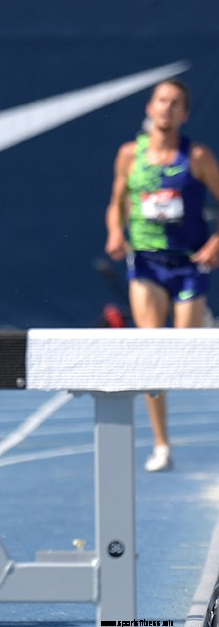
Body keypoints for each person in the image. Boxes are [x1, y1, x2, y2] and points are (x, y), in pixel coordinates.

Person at [104, 79, 219, 472]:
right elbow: (116, 203)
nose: (167, 108)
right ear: (150, 108)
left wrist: (216, 243)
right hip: (147, 264)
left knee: (182, 358)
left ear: (185, 114)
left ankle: (199, 319)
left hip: (188, 265)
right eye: (161, 101)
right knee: (153, 352)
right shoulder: (128, 155)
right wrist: (116, 233)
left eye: (175, 104)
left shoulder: (198, 156)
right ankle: (161, 444)